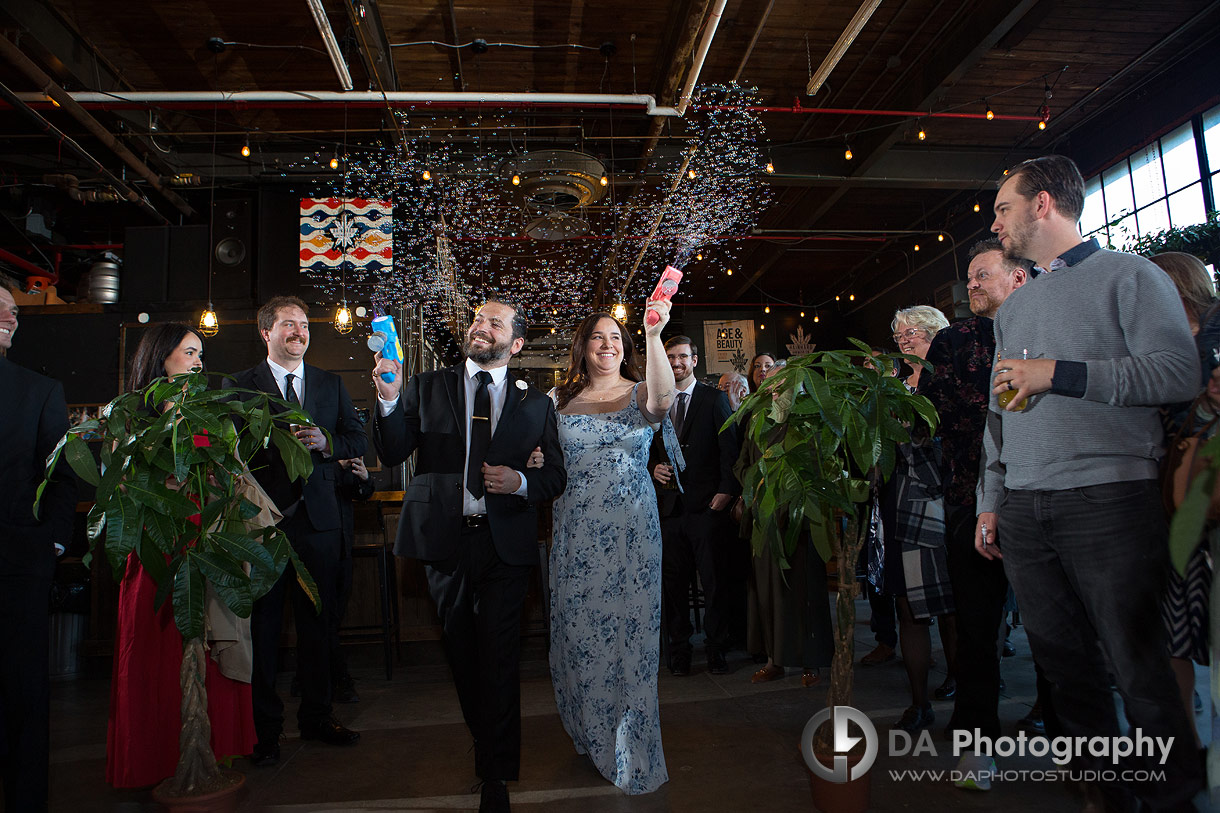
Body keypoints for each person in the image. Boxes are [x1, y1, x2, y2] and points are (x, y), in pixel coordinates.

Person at [977, 155, 1203, 809]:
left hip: (1110, 498)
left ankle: (1173, 799)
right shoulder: (1015, 311)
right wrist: (992, 501)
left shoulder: (1129, 277)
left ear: (1042, 204)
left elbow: (1176, 373)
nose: (996, 221)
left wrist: (1061, 373)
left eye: (1003, 208)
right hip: (1025, 509)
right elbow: (1000, 416)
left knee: (1139, 670)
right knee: (1066, 673)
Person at [372, 299, 566, 813]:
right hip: (444, 542)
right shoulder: (427, 385)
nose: (480, 327)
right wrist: (388, 398)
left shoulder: (536, 403)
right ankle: (485, 742)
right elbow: (393, 453)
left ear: (516, 344)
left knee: (500, 658)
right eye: (478, 319)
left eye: (494, 323)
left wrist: (521, 480)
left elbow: (555, 477)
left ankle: (496, 775)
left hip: (505, 546)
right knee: (461, 654)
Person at [106, 323, 259, 788]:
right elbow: (120, 485)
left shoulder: (211, 414)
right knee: (155, 653)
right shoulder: (131, 416)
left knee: (211, 647)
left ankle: (208, 757)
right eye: (189, 352)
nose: (197, 362)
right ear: (160, 357)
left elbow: (232, 474)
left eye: (200, 354)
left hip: (208, 541)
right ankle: (152, 760)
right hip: (157, 545)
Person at [229, 295, 368, 766]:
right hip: (262, 523)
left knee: (318, 628)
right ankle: (263, 731)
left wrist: (329, 442)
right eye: (288, 324)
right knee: (263, 630)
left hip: (320, 522)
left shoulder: (331, 384)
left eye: (305, 325)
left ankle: (317, 717)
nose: (299, 332)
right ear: (265, 333)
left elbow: (357, 438)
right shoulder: (239, 385)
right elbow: (228, 450)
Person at [548, 299, 675, 794]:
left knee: (630, 636)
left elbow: (663, 403)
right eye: (599, 337)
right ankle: (591, 729)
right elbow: (541, 457)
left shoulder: (642, 391)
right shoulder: (556, 398)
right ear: (583, 347)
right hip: (576, 530)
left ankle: (631, 743)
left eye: (616, 338)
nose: (608, 345)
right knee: (582, 633)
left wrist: (654, 334)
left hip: (631, 531)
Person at [916, 240, 1030, 787]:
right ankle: (975, 745)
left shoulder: (1044, 335)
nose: (972, 285)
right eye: (969, 276)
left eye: (982, 275)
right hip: (969, 499)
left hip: (1040, 497)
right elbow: (930, 422)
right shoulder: (954, 339)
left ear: (1018, 280)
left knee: (1059, 629)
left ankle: (1069, 733)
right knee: (976, 631)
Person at [0, 283, 75, 811]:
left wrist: (50, 542)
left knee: (24, 693)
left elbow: (61, 473)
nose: (12, 316)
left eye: (14, 310)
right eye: (0, 308)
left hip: (19, 564)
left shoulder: (39, 390)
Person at [1150, 250, 1219, 746]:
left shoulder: (1206, 340)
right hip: (1174, 507)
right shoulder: (1158, 341)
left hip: (1207, 505)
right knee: (1172, 638)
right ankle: (1186, 751)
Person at [878, 305, 956, 731]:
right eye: (901, 335)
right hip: (900, 500)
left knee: (950, 606)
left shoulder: (949, 379)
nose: (905, 340)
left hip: (944, 499)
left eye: (914, 333)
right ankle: (919, 702)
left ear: (935, 334)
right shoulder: (892, 385)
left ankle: (960, 682)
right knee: (909, 607)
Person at [736, 361, 834, 688]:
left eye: (784, 383)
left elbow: (824, 465)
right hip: (764, 518)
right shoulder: (758, 418)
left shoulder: (812, 417)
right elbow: (743, 464)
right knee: (767, 593)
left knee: (805, 591)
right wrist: (754, 482)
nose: (776, 389)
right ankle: (773, 659)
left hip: (801, 517)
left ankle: (812, 663)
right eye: (771, 384)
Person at [650, 336, 739, 676]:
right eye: (670, 357)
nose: (676, 362)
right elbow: (644, 450)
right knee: (674, 587)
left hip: (707, 508)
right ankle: (679, 651)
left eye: (682, 356)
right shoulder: (655, 402)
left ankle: (717, 649)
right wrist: (651, 468)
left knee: (714, 584)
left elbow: (730, 449)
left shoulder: (714, 399)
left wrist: (726, 491)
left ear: (695, 360)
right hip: (670, 509)